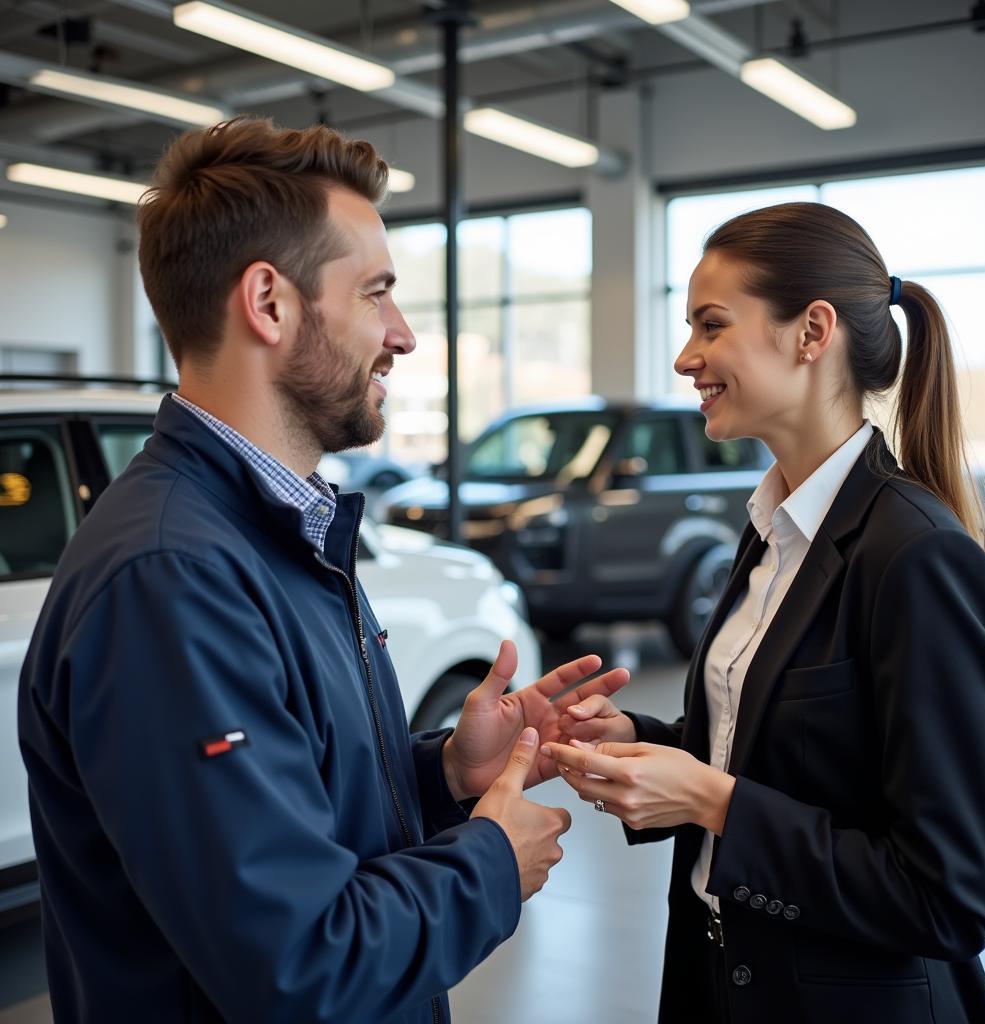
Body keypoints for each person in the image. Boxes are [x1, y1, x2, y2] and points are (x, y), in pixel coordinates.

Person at [17, 117, 629, 1023]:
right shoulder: (171, 579)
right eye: (376, 293)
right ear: (269, 303)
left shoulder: (270, 531)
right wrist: (491, 862)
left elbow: (297, 818)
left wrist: (446, 777)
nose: (403, 334)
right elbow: (300, 964)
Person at [542, 201, 985, 1024]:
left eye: (712, 325)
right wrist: (645, 743)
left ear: (811, 331)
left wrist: (711, 803)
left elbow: (949, 897)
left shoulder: (916, 557)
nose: (687, 357)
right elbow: (770, 753)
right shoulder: (772, 532)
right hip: (721, 983)